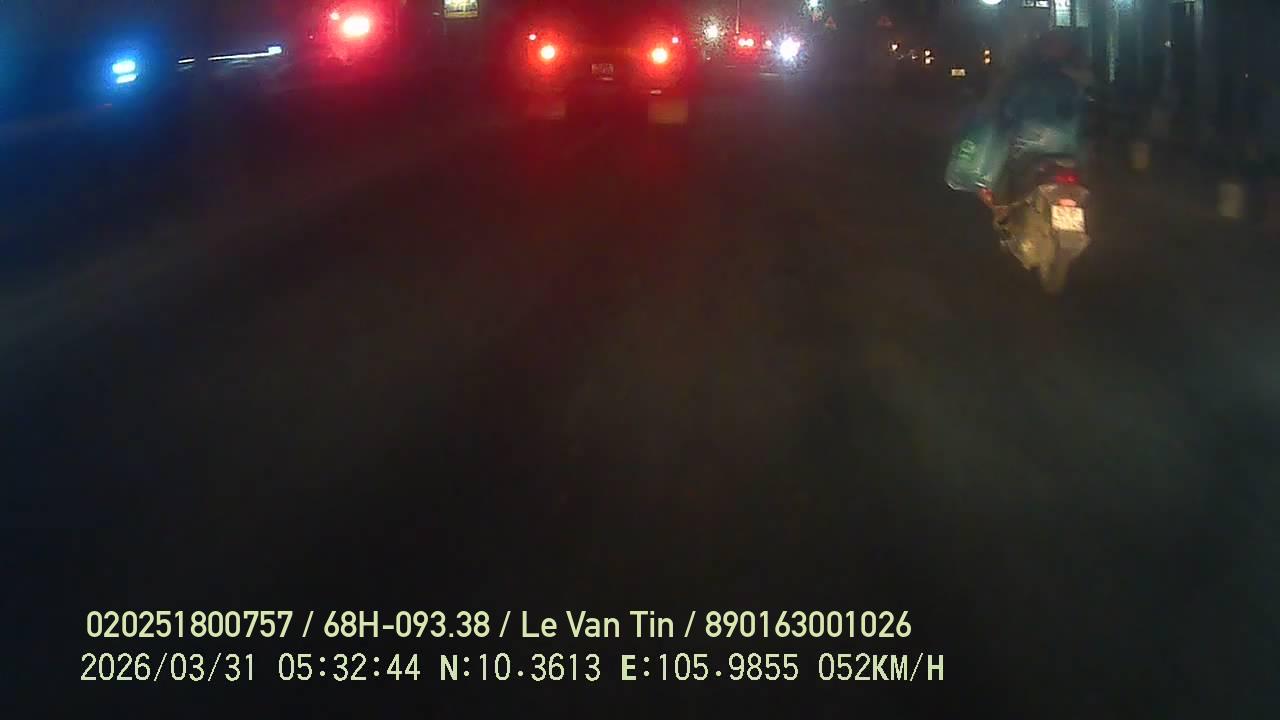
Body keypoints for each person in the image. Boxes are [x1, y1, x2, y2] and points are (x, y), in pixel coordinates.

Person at [977, 28, 1094, 227]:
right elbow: (1084, 110)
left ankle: (1004, 215)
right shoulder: (1075, 81)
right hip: (1070, 153)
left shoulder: (1028, 82)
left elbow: (1009, 111)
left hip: (1031, 151)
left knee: (1002, 169)